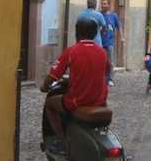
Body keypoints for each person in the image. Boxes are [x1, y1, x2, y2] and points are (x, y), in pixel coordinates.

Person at [40, 18, 108, 153]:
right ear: (95, 33)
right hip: (100, 100)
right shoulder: (102, 52)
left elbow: (53, 76)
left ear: (77, 33)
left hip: (78, 101)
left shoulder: (71, 51)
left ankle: (62, 141)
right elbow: (100, 72)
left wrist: (44, 87)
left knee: (50, 104)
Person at [101, 0, 124, 86]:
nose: (103, 5)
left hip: (110, 42)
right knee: (101, 61)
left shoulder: (113, 15)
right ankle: (102, 78)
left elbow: (119, 26)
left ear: (108, 5)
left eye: (105, 4)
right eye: (102, 4)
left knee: (110, 61)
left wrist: (122, 37)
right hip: (100, 42)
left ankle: (110, 79)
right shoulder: (99, 15)